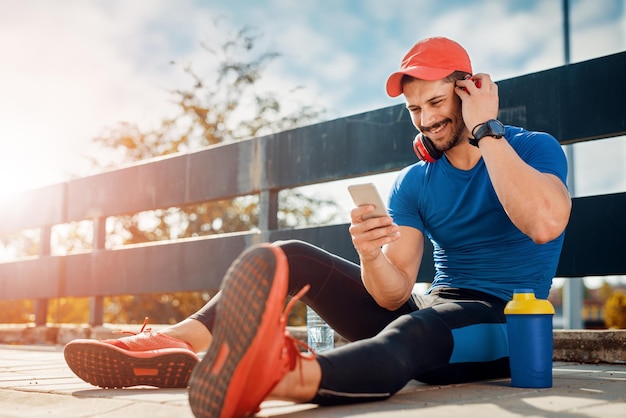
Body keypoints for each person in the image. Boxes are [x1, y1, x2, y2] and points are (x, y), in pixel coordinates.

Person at [64, 36, 572, 417]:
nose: (425, 120)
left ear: (471, 91)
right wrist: (372, 257)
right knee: (290, 257)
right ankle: (169, 346)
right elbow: (394, 295)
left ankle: (276, 375)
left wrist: (487, 130)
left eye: (437, 103)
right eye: (415, 109)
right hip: (434, 310)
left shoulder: (532, 149)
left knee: (418, 331)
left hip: (511, 323)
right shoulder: (414, 183)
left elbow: (545, 223)